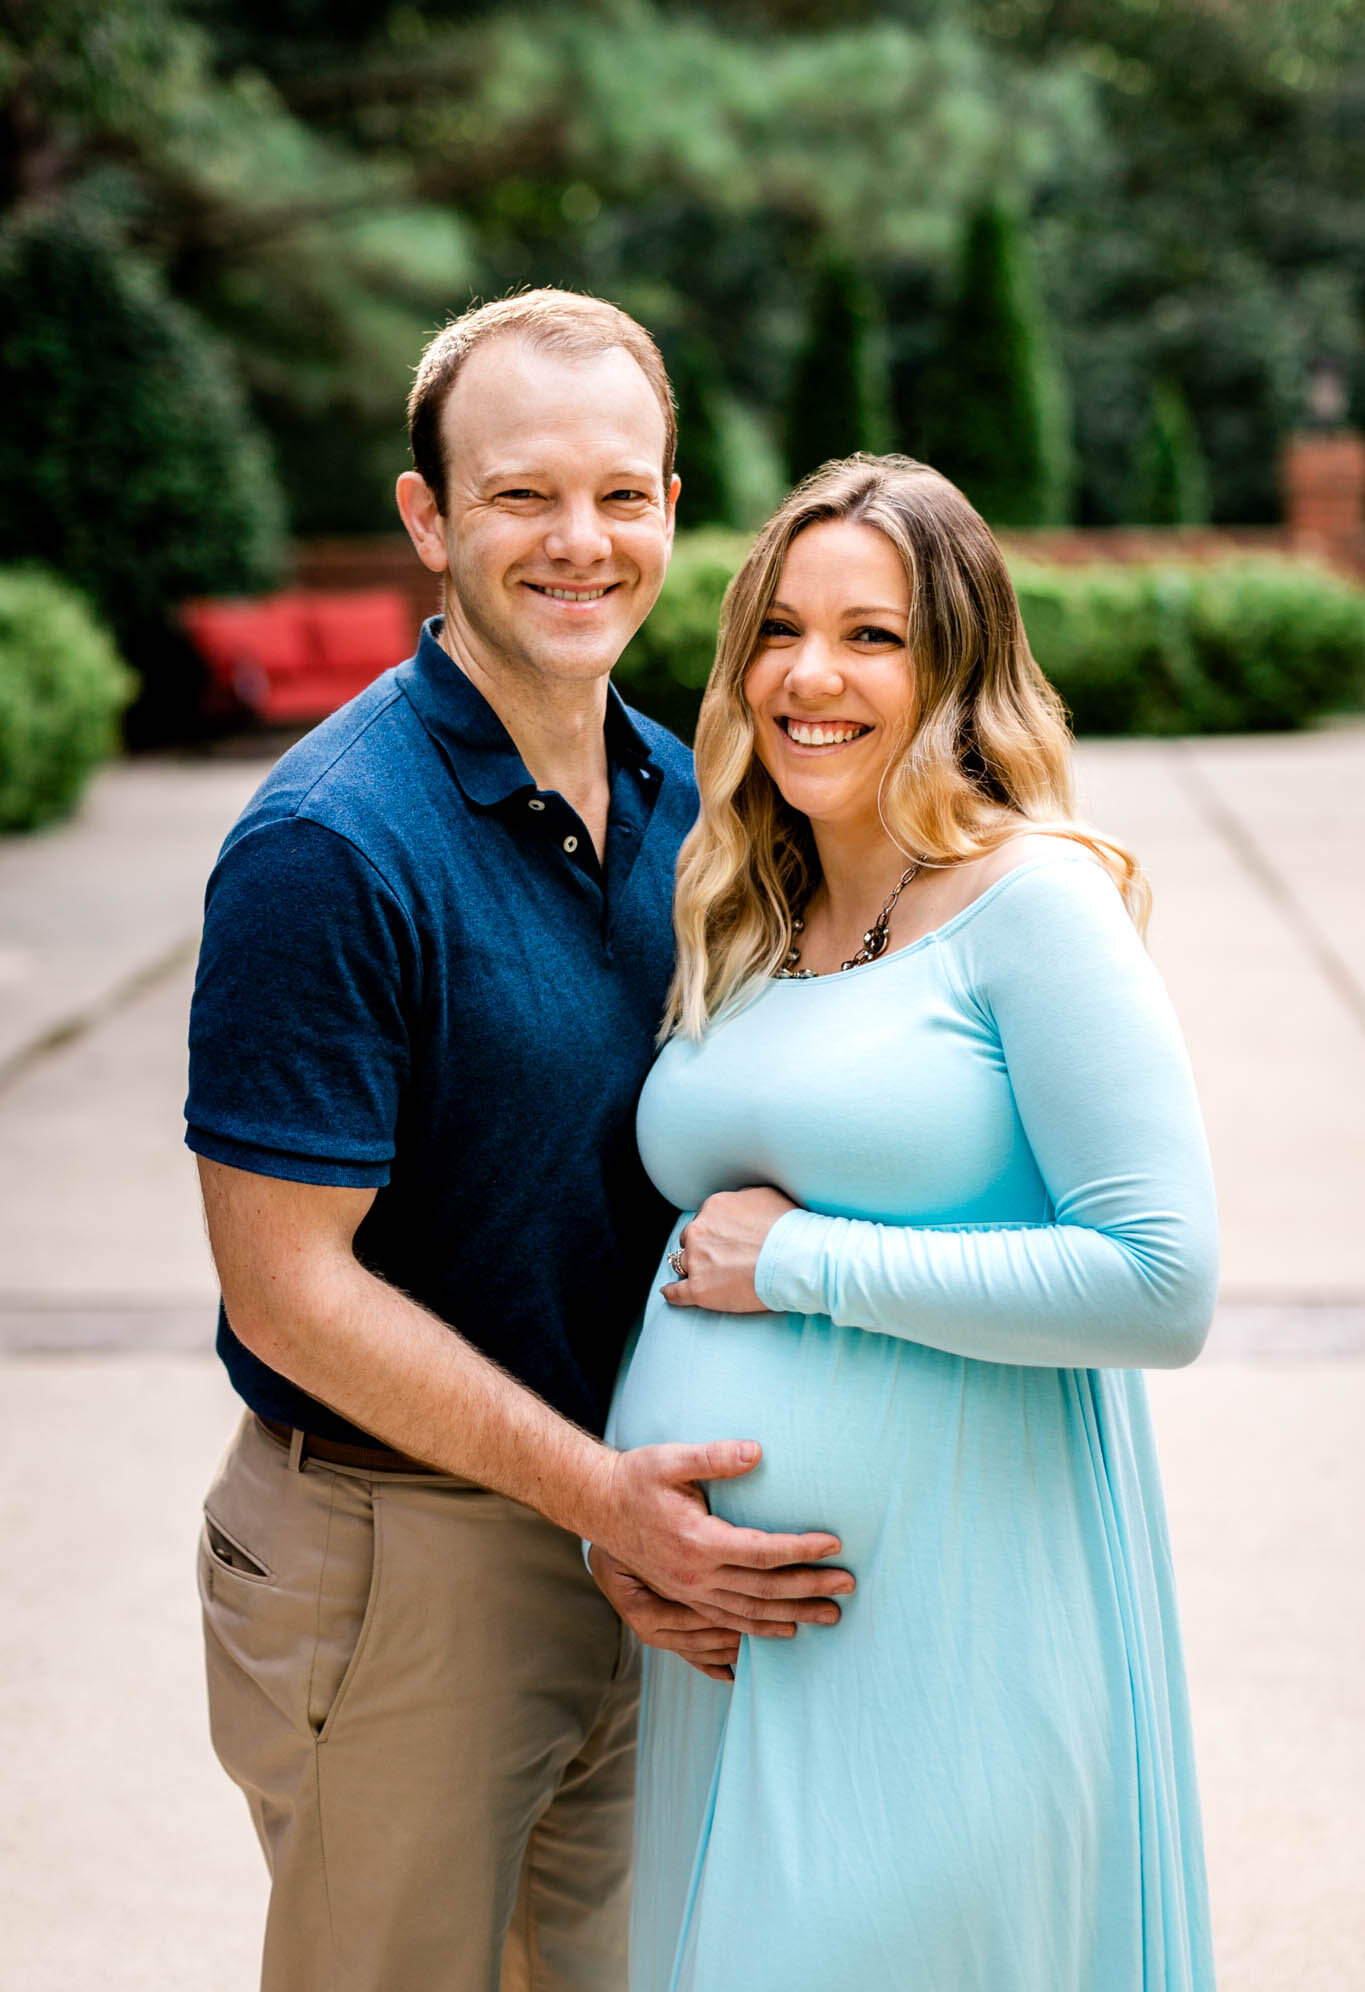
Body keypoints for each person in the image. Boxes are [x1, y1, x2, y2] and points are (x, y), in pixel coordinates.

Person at [185, 288, 853, 1992]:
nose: (582, 542)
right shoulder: (329, 849)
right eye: (520, 495)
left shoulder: (693, 800)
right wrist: (601, 1501)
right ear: (427, 518)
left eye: (622, 495)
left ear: (672, 512)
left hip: (633, 1535)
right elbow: (286, 1293)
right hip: (404, 1564)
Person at [607, 453, 1219, 1991]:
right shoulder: (740, 905)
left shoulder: (1035, 905)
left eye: (872, 635)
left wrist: (802, 1264)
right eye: (780, 629)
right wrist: (619, 1513)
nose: (812, 676)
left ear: (957, 665)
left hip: (949, 1646)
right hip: (726, 1653)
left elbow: (1160, 1284)